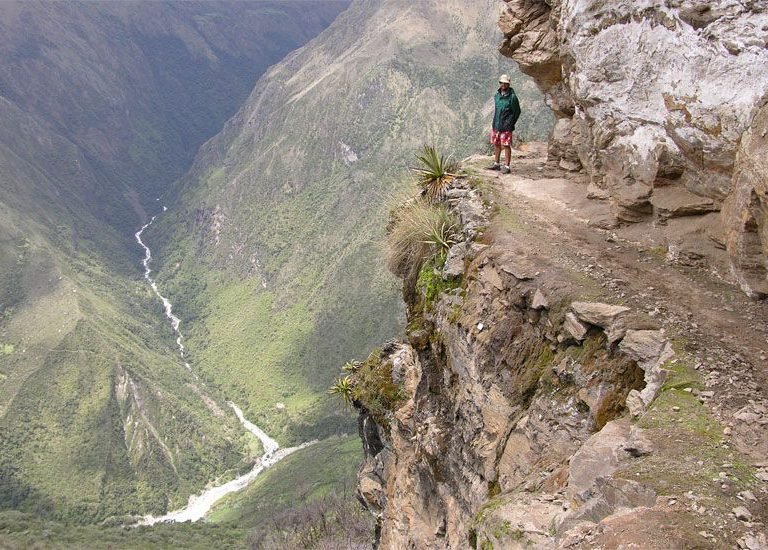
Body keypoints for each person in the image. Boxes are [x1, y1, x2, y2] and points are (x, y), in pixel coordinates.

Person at [487, 74, 521, 174]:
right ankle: (496, 164)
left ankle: (507, 166)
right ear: (500, 83)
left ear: (508, 84)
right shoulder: (497, 95)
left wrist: (511, 122)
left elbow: (517, 111)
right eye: (502, 83)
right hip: (496, 124)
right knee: (496, 144)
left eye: (505, 83)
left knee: (506, 145)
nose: (503, 85)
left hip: (506, 125)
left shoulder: (512, 97)